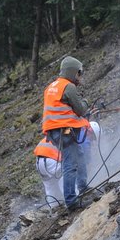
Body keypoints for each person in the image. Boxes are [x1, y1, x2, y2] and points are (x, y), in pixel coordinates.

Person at [42, 56, 92, 210]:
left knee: (79, 156)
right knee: (70, 164)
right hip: (64, 131)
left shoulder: (51, 87)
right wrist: (86, 102)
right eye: (79, 73)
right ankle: (71, 200)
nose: (80, 77)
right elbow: (81, 109)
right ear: (72, 72)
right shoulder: (68, 87)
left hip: (55, 132)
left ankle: (83, 188)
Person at [33, 134, 64, 209]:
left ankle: (54, 206)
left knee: (50, 185)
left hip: (39, 163)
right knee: (63, 177)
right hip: (50, 161)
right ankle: (73, 198)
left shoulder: (50, 137)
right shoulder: (63, 137)